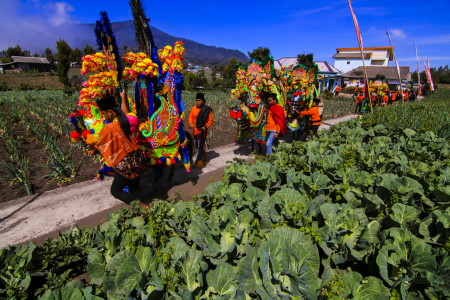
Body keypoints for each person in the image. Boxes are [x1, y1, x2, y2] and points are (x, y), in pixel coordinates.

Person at [95, 95, 149, 208]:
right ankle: (147, 209)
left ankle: (142, 207)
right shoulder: (128, 120)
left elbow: (100, 145)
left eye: (104, 114)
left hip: (124, 164)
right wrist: (123, 98)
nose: (104, 117)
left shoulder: (110, 128)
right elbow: (126, 113)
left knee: (115, 190)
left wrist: (91, 142)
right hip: (137, 159)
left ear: (110, 112)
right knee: (134, 188)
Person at [189, 92, 214, 168]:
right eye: (197, 100)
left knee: (200, 146)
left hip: (202, 131)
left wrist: (205, 127)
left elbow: (211, 120)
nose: (198, 102)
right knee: (197, 145)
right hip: (195, 131)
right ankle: (205, 155)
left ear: (203, 101)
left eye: (199, 100)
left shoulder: (207, 109)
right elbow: (191, 117)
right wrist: (190, 123)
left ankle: (198, 162)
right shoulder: (193, 108)